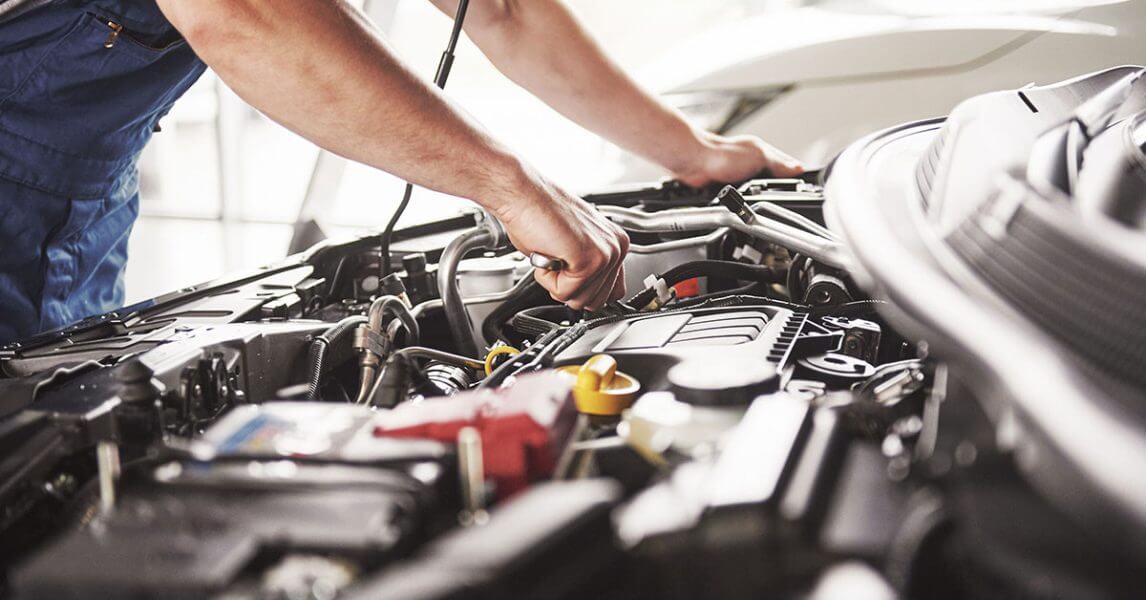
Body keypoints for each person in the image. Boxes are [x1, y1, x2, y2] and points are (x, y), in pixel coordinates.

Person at [0, 0, 802, 344]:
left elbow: (501, 9)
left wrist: (692, 153)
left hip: (80, 199)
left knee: (65, 452)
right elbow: (241, 15)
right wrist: (509, 187)